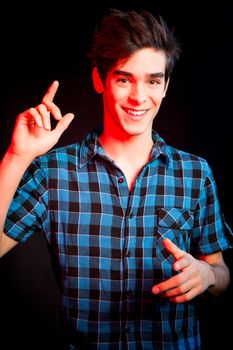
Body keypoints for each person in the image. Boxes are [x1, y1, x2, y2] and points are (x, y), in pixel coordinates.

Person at [0, 8, 232, 350]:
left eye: (153, 80)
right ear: (99, 79)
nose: (139, 97)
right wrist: (17, 157)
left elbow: (221, 274)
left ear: (165, 85)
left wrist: (208, 274)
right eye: (124, 79)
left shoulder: (195, 174)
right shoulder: (53, 173)